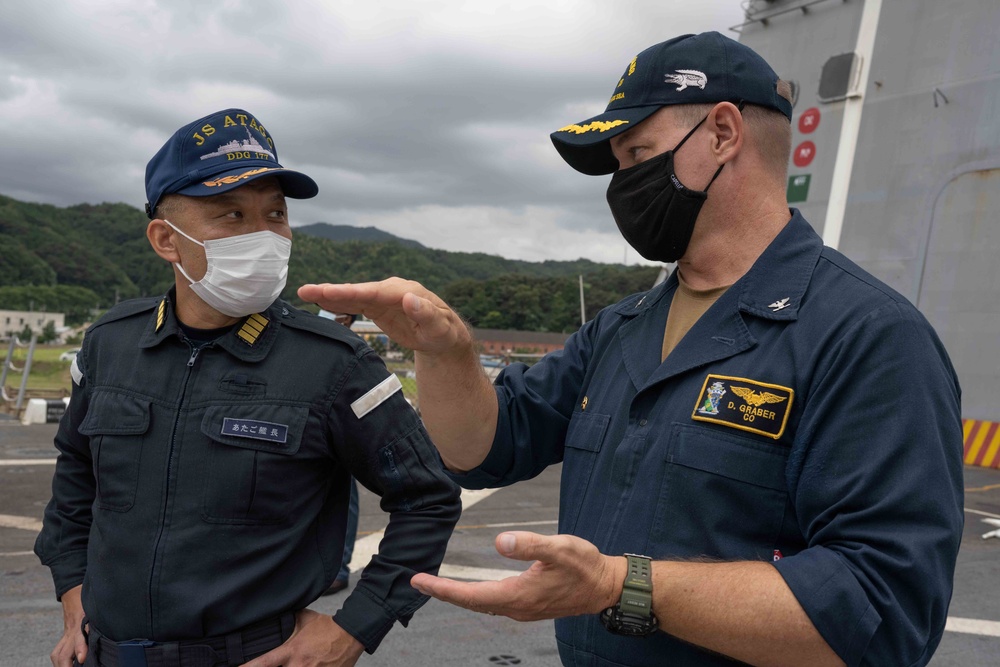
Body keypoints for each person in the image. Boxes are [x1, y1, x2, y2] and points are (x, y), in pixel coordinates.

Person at [299, 32, 965, 667]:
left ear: (724, 134)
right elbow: (483, 448)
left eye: (637, 156)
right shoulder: (623, 328)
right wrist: (445, 351)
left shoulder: (868, 337)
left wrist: (625, 585)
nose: (621, 186)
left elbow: (882, 612)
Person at [34, 108, 461, 667]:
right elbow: (75, 472)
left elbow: (427, 500)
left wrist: (354, 630)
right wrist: (72, 591)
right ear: (167, 239)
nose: (263, 235)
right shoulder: (110, 344)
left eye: (275, 214)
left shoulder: (333, 363)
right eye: (231, 215)